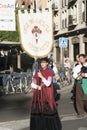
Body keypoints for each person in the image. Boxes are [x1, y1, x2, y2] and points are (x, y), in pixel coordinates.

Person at [30, 57, 62, 130]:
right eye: (41, 62)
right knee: (38, 111)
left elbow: (48, 83)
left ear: (47, 63)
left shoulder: (49, 71)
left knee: (47, 110)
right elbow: (32, 84)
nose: (42, 64)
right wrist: (37, 86)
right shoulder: (37, 71)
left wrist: (41, 77)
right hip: (38, 95)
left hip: (46, 94)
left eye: (44, 62)